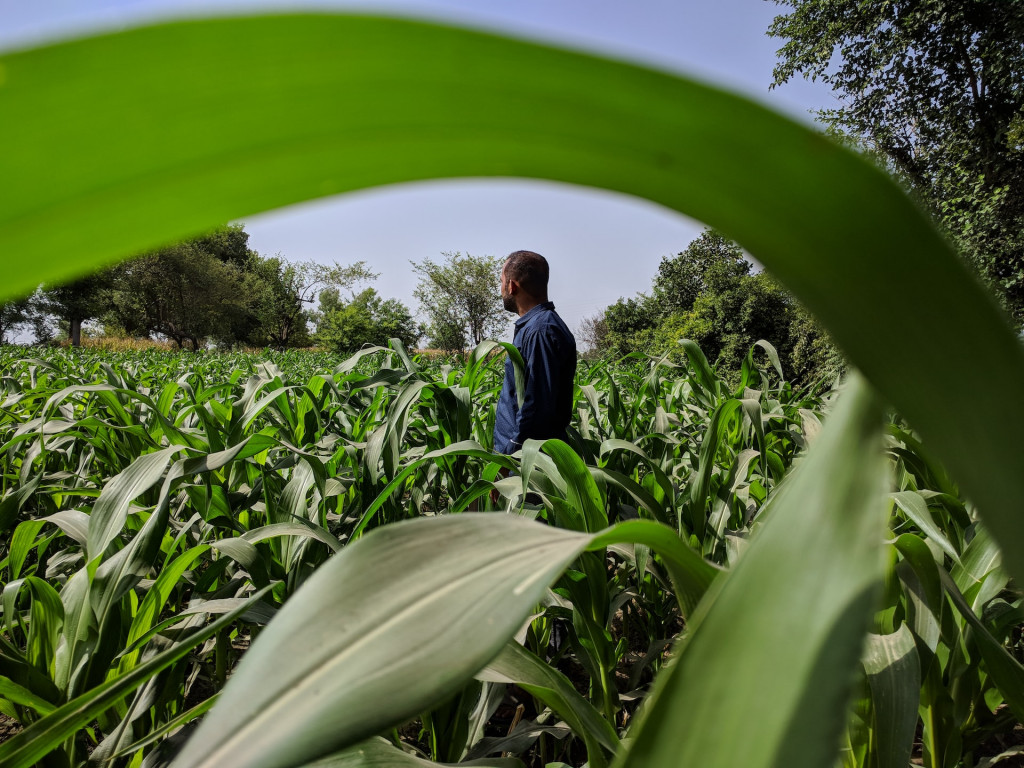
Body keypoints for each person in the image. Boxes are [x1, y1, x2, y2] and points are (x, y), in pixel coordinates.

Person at [493, 250, 577, 456]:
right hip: (520, 458)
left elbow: (537, 408)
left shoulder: (541, 331)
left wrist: (509, 457)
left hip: (527, 463)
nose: (501, 288)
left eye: (501, 281)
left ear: (512, 286)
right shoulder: (535, 326)